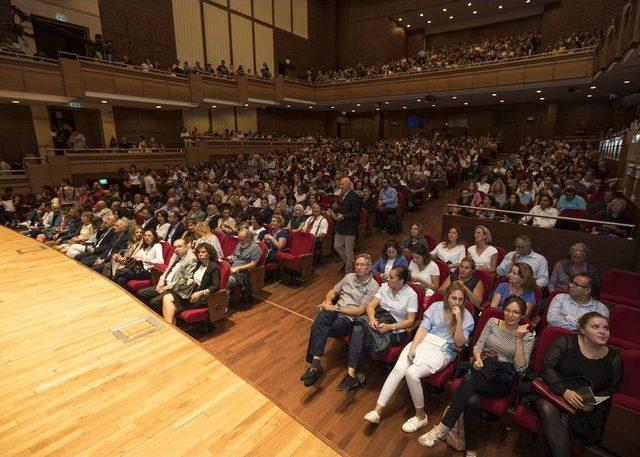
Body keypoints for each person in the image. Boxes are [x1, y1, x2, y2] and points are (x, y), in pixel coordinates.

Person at [419, 296, 535, 454]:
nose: (510, 315)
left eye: (516, 312)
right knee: (472, 400)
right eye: (507, 310)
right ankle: (471, 448)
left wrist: (519, 339)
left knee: (468, 380)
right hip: (483, 368)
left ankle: (442, 428)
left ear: (522, 316)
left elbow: (521, 369)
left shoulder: (527, 335)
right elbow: (479, 345)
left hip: (501, 380)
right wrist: (479, 358)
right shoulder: (493, 322)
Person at [363, 282, 474, 431]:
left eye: (461, 299)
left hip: (444, 350)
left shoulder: (467, 317)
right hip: (424, 342)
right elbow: (423, 329)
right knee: (399, 369)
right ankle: (377, 410)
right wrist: (413, 349)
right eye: (454, 298)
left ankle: (421, 416)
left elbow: (459, 343)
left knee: (412, 373)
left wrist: (459, 320)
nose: (457, 302)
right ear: (447, 296)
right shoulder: (435, 307)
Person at [533, 312, 622, 455]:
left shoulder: (614, 358)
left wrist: (592, 404)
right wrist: (565, 391)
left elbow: (611, 388)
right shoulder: (566, 342)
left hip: (583, 406)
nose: (602, 331)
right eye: (595, 327)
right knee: (547, 407)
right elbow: (547, 368)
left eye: (605, 328)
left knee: (561, 418)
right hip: (554, 392)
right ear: (582, 329)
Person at [300, 254, 380, 387]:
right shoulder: (349, 277)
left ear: (370, 267)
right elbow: (333, 291)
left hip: (349, 318)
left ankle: (315, 367)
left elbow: (359, 311)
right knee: (321, 319)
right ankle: (316, 364)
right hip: (335, 310)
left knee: (319, 326)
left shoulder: (373, 286)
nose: (358, 267)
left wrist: (334, 307)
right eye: (357, 264)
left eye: (362, 265)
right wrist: (327, 301)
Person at [338, 266, 418, 391]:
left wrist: (389, 327)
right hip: (379, 321)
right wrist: (372, 319)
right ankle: (353, 373)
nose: (387, 279)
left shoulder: (411, 295)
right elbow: (371, 305)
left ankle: (355, 374)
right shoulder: (385, 287)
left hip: (395, 329)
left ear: (401, 281)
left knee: (358, 330)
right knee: (359, 329)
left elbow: (410, 321)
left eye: (391, 277)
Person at [161, 243, 220, 324]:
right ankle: (170, 328)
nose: (200, 254)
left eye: (203, 252)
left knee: (171, 309)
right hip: (189, 292)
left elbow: (216, 286)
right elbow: (193, 275)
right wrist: (190, 278)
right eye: (199, 252)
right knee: (166, 297)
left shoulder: (213, 267)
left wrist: (200, 293)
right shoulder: (199, 264)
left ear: (209, 254)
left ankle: (169, 328)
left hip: (200, 297)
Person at [137, 238, 197, 313]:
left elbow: (184, 280)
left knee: (154, 302)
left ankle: (161, 318)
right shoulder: (175, 255)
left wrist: (167, 287)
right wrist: (161, 281)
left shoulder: (191, 259)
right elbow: (168, 269)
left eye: (179, 246)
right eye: (175, 247)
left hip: (176, 289)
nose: (177, 249)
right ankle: (149, 312)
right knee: (141, 293)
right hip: (165, 284)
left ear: (186, 247)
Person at [226, 229, 263, 306]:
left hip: (243, 273)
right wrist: (230, 258)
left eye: (242, 239)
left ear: (249, 238)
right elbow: (235, 255)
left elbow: (253, 264)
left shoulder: (256, 248)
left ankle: (224, 305)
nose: (240, 241)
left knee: (225, 282)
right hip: (232, 268)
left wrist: (238, 268)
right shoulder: (240, 244)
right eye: (239, 239)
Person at [334, 177, 361, 273]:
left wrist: (344, 216)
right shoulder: (342, 195)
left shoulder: (354, 196)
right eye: (340, 184)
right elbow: (342, 209)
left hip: (349, 227)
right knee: (337, 246)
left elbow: (357, 213)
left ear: (349, 185)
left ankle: (348, 272)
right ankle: (350, 262)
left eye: (342, 184)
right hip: (341, 226)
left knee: (348, 252)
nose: (340, 186)